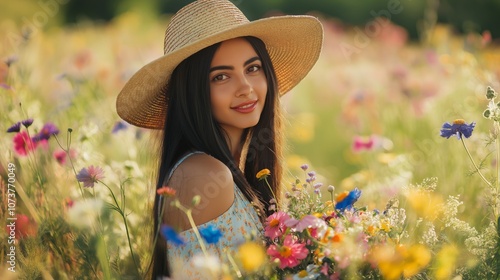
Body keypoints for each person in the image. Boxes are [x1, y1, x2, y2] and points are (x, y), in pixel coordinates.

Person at [116, 0, 323, 278]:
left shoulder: (229, 172)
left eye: (252, 68)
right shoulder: (206, 175)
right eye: (221, 77)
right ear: (193, 92)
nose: (246, 88)